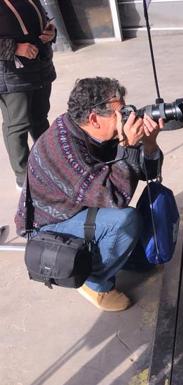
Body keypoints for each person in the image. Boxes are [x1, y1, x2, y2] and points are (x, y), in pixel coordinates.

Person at [14, 77, 164, 312]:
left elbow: (148, 174)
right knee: (125, 221)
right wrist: (130, 147)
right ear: (94, 118)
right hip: (53, 223)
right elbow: (115, 199)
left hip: (83, 202)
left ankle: (111, 256)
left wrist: (149, 144)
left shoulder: (95, 133)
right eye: (119, 113)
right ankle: (94, 282)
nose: (125, 117)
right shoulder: (63, 150)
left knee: (144, 261)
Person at [0, 0, 57, 190]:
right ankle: (23, 178)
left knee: (40, 118)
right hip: (11, 73)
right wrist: (15, 48)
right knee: (18, 124)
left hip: (39, 66)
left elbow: (42, 17)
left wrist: (51, 32)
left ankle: (50, 164)